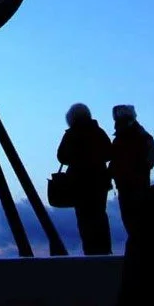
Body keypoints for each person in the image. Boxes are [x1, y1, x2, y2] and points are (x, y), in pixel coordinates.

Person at [56, 102, 115, 255]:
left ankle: (90, 251)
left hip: (79, 183)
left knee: (84, 219)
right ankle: (105, 250)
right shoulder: (98, 132)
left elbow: (61, 156)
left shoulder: (71, 134)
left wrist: (77, 158)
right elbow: (109, 153)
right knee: (100, 216)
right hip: (99, 182)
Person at [109, 104, 154, 233]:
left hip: (138, 185)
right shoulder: (120, 139)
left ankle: (140, 249)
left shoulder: (140, 136)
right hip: (124, 184)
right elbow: (115, 161)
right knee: (131, 222)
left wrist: (141, 168)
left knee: (138, 222)